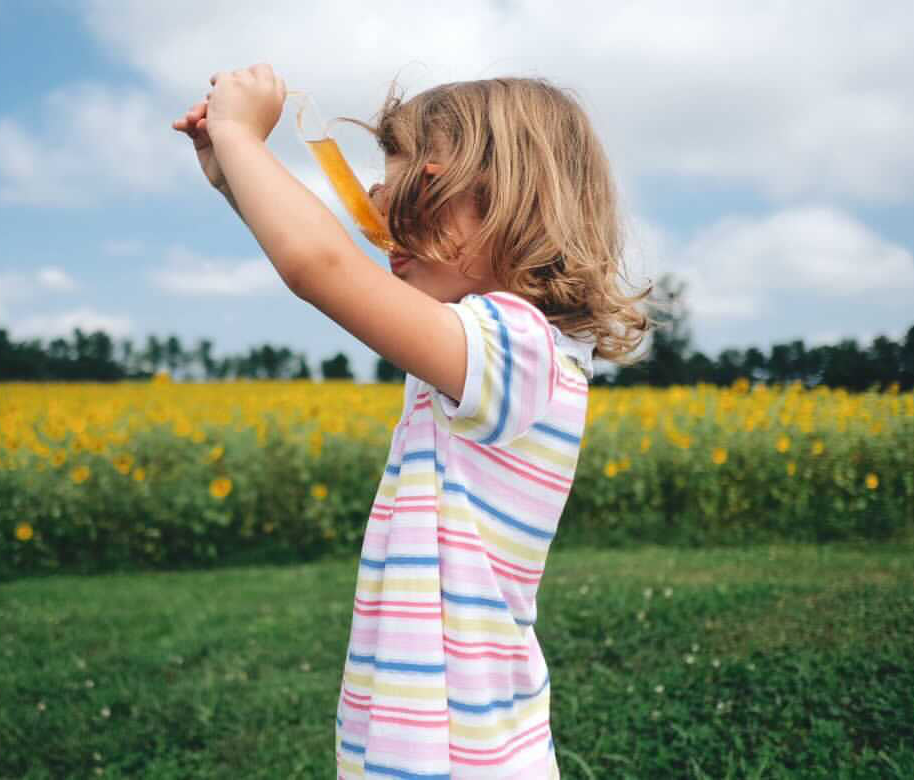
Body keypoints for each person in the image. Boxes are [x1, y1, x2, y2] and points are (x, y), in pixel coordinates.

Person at [173, 64, 652, 780]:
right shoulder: (483, 351)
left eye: (416, 201)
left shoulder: (518, 350)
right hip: (421, 738)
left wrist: (245, 139)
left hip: (467, 755)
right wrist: (236, 178)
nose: (385, 229)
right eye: (377, 212)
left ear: (516, 202)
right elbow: (324, 258)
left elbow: (320, 265)